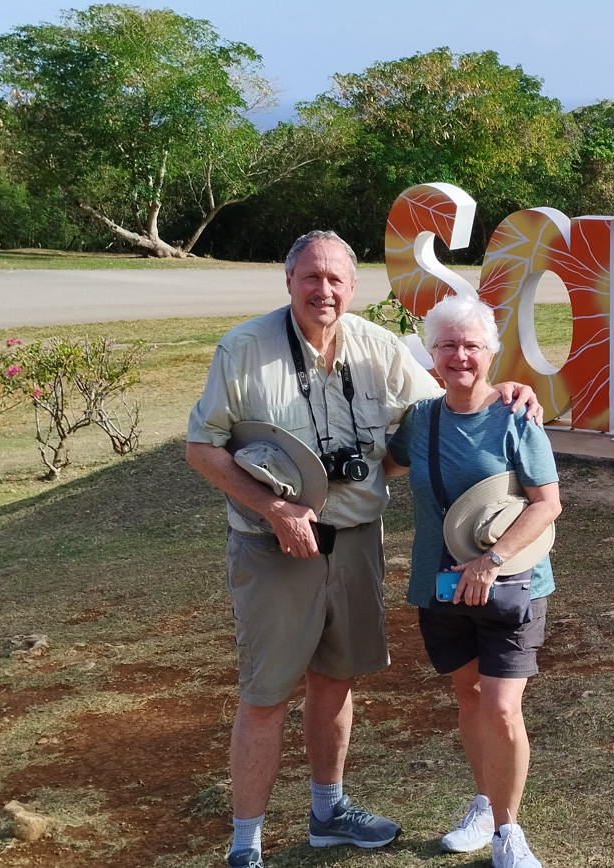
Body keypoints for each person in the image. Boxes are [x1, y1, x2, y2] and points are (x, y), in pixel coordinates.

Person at [184, 231, 539, 868]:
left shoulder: (377, 346)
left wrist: (512, 395)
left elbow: (449, 412)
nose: (324, 291)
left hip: (354, 546)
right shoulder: (243, 348)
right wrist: (274, 507)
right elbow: (202, 448)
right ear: (288, 282)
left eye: (336, 280)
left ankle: (328, 811)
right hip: (272, 549)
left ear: (353, 286)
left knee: (336, 681)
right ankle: (246, 845)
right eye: (310, 278)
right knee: (265, 696)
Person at [384, 293, 562, 868]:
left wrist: (491, 559)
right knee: (468, 697)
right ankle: (484, 805)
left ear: (491, 352)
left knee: (502, 706)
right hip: (440, 585)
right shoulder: (419, 419)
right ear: (430, 354)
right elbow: (385, 465)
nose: (459, 355)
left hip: (510, 586)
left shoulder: (517, 415)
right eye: (447, 345)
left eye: (471, 345)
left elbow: (547, 504)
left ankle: (510, 833)